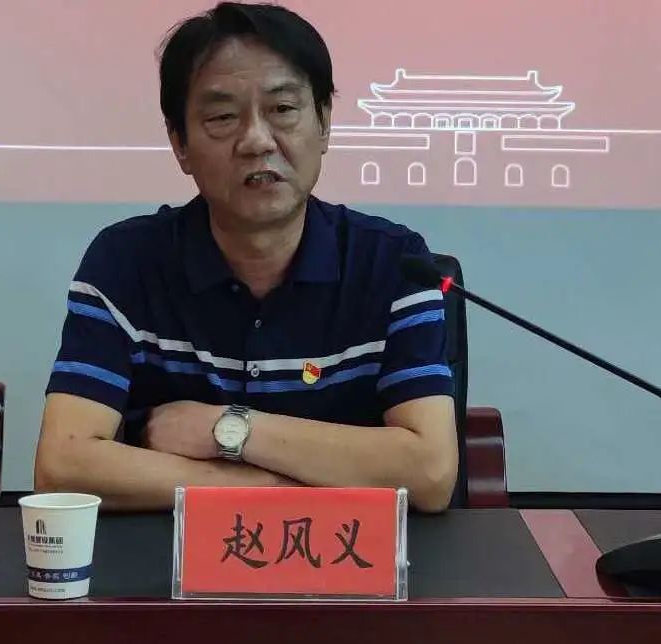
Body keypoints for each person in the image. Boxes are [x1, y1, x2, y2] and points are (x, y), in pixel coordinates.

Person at [34, 1, 457, 512]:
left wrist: (226, 428)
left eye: (283, 110)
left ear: (324, 123)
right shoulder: (124, 262)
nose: (257, 141)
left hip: (349, 561)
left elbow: (431, 472)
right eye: (222, 117)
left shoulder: (395, 264)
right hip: (166, 563)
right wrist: (270, 490)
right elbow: (63, 466)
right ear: (179, 144)